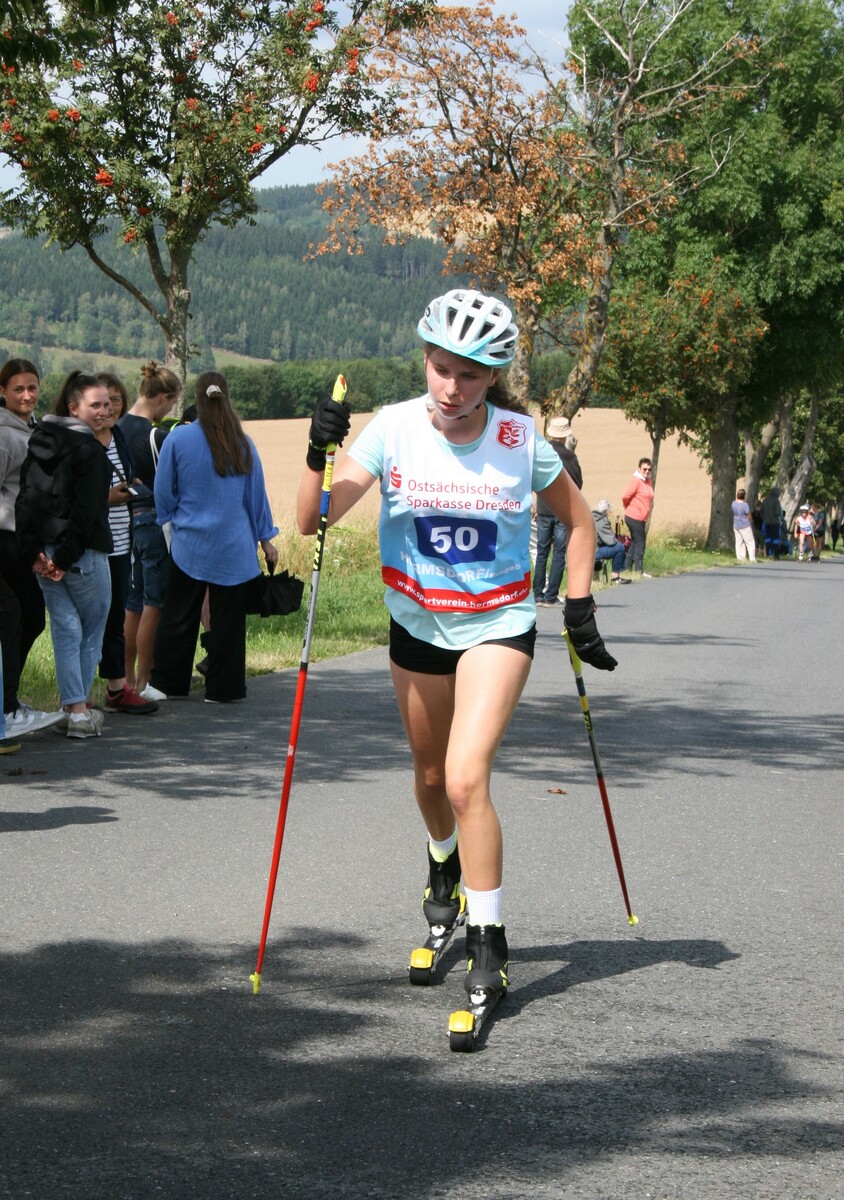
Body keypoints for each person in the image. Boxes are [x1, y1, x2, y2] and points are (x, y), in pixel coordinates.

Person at [296, 288, 616, 1011]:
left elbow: (579, 522)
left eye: (470, 375)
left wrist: (580, 603)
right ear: (425, 360)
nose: (452, 387)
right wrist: (319, 453)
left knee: (467, 779)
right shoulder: (394, 428)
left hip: (497, 625)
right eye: (442, 368)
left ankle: (488, 939)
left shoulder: (519, 440)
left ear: (492, 376)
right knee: (432, 776)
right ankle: (442, 862)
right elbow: (314, 519)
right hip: (417, 624)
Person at [148, 372, 278, 703]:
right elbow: (255, 497)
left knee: (179, 615)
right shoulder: (243, 443)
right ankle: (224, 688)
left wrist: (170, 518)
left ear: (197, 398)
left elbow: (163, 490)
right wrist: (265, 538)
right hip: (234, 546)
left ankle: (168, 684)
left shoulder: (178, 439)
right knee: (228, 621)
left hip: (190, 543)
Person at [15, 372, 113, 739]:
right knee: (91, 631)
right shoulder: (90, 451)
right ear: (73, 408)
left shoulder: (37, 441)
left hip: (45, 554)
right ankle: (78, 711)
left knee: (65, 629)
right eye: (95, 405)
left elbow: (24, 501)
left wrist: (35, 553)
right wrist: (65, 559)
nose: (104, 411)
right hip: (82, 555)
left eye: (107, 404)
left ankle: (73, 708)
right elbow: (86, 513)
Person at [0, 358, 63, 737]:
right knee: (13, 618)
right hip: (5, 539)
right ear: (3, 392)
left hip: (25, 541)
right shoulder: (4, 435)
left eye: (32, 387)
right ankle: (6, 707)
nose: (27, 395)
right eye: (18, 389)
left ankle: (8, 700)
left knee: (32, 619)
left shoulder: (33, 429)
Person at [118, 361, 181, 697]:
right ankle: (146, 680)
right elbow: (169, 484)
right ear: (163, 397)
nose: (170, 410)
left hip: (125, 519)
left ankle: (125, 679)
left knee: (132, 604)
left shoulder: (117, 427)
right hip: (153, 520)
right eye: (172, 403)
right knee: (153, 603)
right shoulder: (156, 435)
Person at [94, 383, 158, 714]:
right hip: (96, 541)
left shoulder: (118, 436)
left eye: (114, 402)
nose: (109, 409)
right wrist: (108, 496)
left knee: (120, 611)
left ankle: (119, 686)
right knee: (95, 619)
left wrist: (131, 485)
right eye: (101, 403)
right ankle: (81, 698)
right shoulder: (82, 441)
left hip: (123, 536)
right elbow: (73, 492)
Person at [533, 416, 582, 606]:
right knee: (559, 553)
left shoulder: (542, 451)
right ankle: (550, 596)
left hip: (543, 508)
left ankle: (537, 593)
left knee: (542, 551)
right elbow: (578, 482)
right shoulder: (569, 456)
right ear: (566, 435)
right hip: (562, 509)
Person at [621, 457, 654, 576]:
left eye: (649, 469)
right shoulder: (636, 481)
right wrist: (629, 506)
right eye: (644, 469)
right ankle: (639, 570)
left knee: (635, 542)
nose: (647, 471)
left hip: (641, 517)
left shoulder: (648, 481)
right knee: (641, 543)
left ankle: (627, 568)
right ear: (639, 469)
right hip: (634, 516)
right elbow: (625, 496)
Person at [592, 500, 630, 583]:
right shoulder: (601, 521)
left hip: (586, 551)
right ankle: (615, 577)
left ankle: (595, 579)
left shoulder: (591, 517)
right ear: (606, 512)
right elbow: (611, 541)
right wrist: (620, 540)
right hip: (594, 553)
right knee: (620, 547)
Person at [731, 488, 756, 562]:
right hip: (745, 525)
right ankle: (752, 558)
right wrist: (751, 521)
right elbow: (748, 514)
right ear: (744, 496)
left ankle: (741, 557)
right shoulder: (745, 505)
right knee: (750, 542)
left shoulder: (733, 504)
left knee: (739, 542)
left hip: (736, 524)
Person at [759, 488, 783, 559]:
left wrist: (764, 518)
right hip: (775, 522)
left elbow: (761, 511)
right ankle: (776, 554)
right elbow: (778, 512)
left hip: (767, 522)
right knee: (776, 539)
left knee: (768, 538)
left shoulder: (765, 500)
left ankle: (768, 554)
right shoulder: (776, 501)